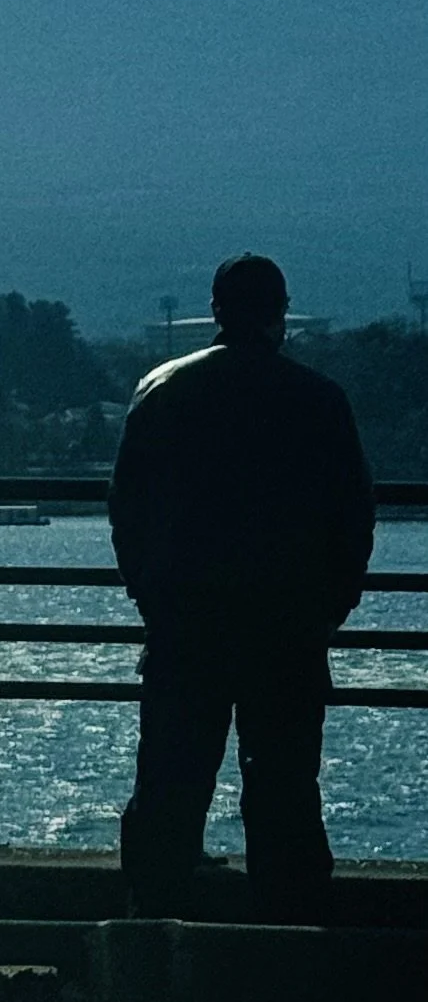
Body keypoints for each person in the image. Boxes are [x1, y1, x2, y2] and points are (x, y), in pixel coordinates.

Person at [109, 253, 374, 918]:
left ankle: (154, 922)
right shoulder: (318, 400)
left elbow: (127, 511)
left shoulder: (162, 390)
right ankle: (289, 933)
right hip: (286, 630)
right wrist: (325, 613)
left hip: (186, 627)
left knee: (172, 782)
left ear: (217, 309)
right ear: (279, 313)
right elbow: (353, 522)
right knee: (284, 787)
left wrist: (155, 600)